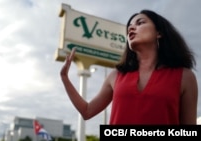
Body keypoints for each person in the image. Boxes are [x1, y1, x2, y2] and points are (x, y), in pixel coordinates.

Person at [60, 9, 198, 125]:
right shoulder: (116, 75)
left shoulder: (185, 77)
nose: (131, 28)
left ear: (159, 32)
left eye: (140, 23)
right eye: (129, 27)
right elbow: (87, 111)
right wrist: (65, 78)